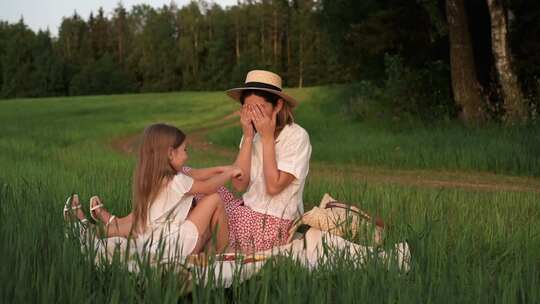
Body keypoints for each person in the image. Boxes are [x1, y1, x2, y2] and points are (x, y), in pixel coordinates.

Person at [63, 123, 243, 260]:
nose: (187, 155)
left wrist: (221, 168)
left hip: (160, 241)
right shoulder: (177, 181)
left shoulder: (156, 177)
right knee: (214, 199)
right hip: (178, 246)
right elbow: (209, 186)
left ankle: (92, 229)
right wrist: (229, 173)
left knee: (195, 205)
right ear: (171, 154)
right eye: (184, 150)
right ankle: (225, 251)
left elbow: (195, 173)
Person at [219, 70, 312, 253]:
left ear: (277, 105)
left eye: (260, 108)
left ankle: (224, 257)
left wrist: (268, 138)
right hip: (247, 210)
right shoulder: (251, 136)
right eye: (248, 108)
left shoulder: (296, 136)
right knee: (203, 193)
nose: (253, 114)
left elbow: (274, 187)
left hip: (274, 221)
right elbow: (239, 184)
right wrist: (247, 138)